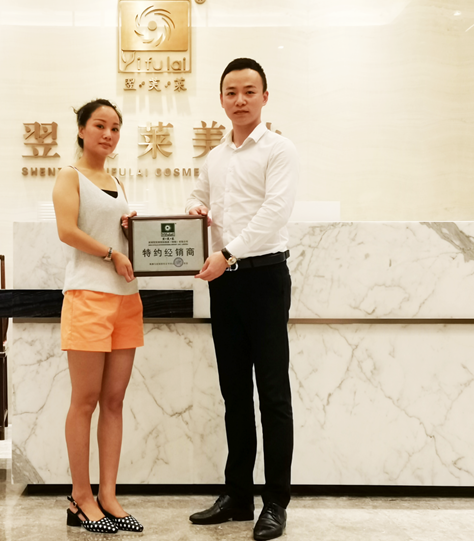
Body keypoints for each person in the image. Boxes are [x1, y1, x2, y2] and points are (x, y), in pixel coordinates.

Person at [185, 58, 298, 541]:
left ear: (265, 97)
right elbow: (197, 196)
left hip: (265, 278)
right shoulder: (215, 157)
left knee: (272, 395)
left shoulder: (279, 150)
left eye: (249, 91)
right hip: (225, 283)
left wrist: (227, 252)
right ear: (221, 99)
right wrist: (196, 210)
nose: (240, 100)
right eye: (231, 92)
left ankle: (275, 503)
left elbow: (275, 213)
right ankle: (237, 496)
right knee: (234, 394)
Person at [52, 98, 144, 535]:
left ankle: (108, 495)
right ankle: (80, 497)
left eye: (115, 128)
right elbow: (67, 231)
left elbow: (116, 233)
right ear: (82, 130)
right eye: (100, 126)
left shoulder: (117, 181)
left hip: (126, 298)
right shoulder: (69, 176)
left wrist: (130, 231)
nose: (108, 134)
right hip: (87, 295)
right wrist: (111, 252)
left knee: (114, 401)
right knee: (84, 401)